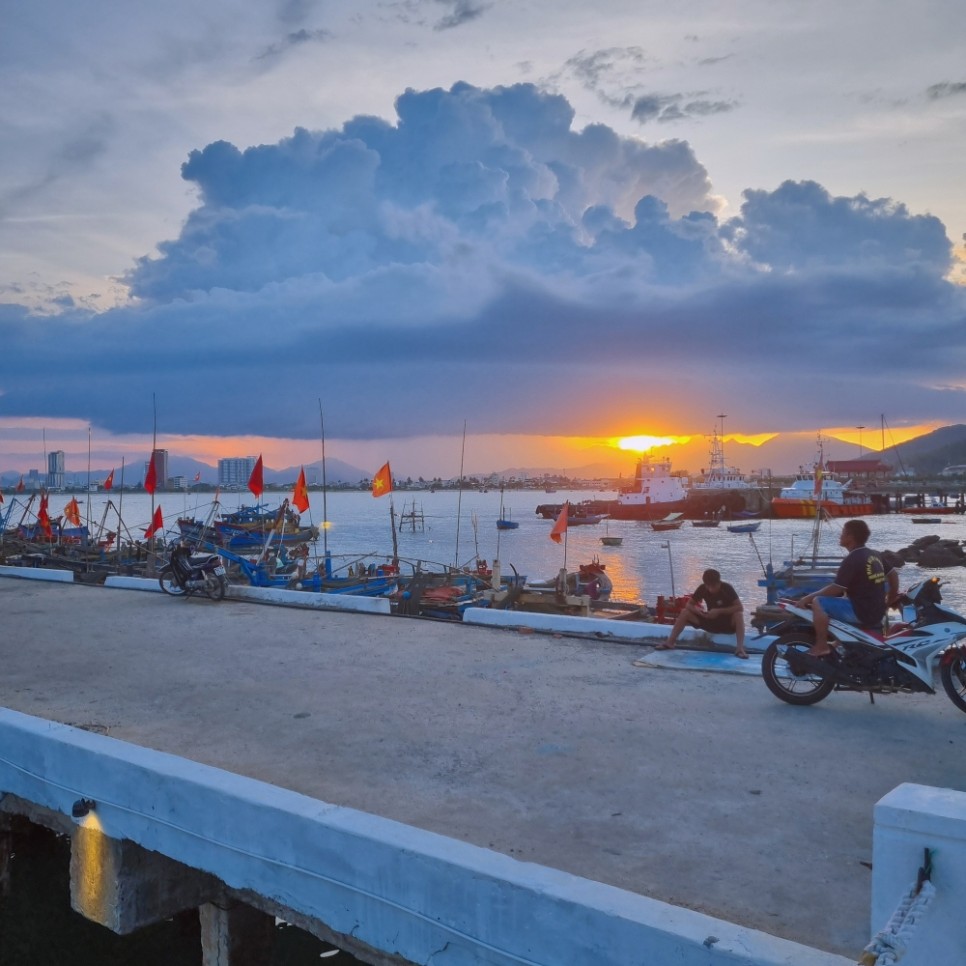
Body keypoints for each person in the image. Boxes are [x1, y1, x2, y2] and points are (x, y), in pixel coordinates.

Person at [799, 518, 900, 657]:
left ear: (850, 537)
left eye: (843, 533)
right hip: (877, 612)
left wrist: (807, 598)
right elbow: (893, 575)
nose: (840, 536)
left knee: (818, 602)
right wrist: (892, 596)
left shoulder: (853, 558)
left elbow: (836, 589)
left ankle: (821, 645)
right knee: (846, 598)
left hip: (861, 612)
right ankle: (838, 645)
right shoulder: (874, 554)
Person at [656, 568, 748, 658]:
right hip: (710, 621)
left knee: (738, 615)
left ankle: (739, 648)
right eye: (708, 586)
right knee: (685, 612)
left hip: (727, 624)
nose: (711, 589)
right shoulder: (702, 588)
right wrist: (699, 611)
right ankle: (670, 642)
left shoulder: (727, 588)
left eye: (714, 586)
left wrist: (719, 611)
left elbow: (739, 607)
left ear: (719, 583)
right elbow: (689, 605)